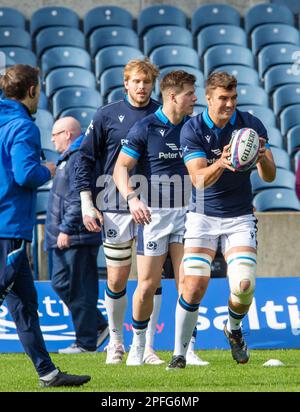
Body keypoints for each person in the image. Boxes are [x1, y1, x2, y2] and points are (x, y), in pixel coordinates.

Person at [166, 71, 276, 369]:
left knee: (243, 285)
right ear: (209, 98)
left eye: (233, 98)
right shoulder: (193, 129)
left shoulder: (250, 124)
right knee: (193, 285)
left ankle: (234, 329)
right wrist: (223, 162)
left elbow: (270, 176)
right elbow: (198, 180)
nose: (229, 104)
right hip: (202, 215)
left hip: (240, 216)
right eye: (223, 98)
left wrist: (264, 157)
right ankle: (178, 354)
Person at [0, 64, 90, 387]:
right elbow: (25, 174)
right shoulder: (23, 126)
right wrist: (48, 169)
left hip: (7, 225)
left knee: (25, 304)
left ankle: (47, 372)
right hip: (8, 226)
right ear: (33, 91)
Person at [113, 70, 209, 366]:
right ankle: (138, 346)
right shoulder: (146, 127)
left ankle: (186, 350)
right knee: (147, 284)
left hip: (189, 214)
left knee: (188, 283)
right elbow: (120, 169)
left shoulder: (195, 127)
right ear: (172, 96)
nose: (195, 99)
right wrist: (132, 199)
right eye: (190, 94)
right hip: (154, 216)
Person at [75, 59, 165, 365]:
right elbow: (84, 159)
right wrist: (87, 202)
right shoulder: (106, 115)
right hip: (114, 206)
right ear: (125, 83)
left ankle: (148, 348)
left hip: (155, 208)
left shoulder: (162, 114)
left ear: (153, 84)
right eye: (136, 81)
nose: (141, 87)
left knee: (151, 281)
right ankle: (115, 343)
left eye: (147, 82)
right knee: (116, 280)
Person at [45, 116, 109, 354]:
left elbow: (78, 197)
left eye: (55, 134)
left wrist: (67, 229)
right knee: (61, 283)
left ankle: (85, 342)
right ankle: (99, 326)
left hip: (77, 235)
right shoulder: (68, 158)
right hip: (65, 235)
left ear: (68, 134)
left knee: (80, 288)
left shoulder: (79, 156)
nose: (52, 139)